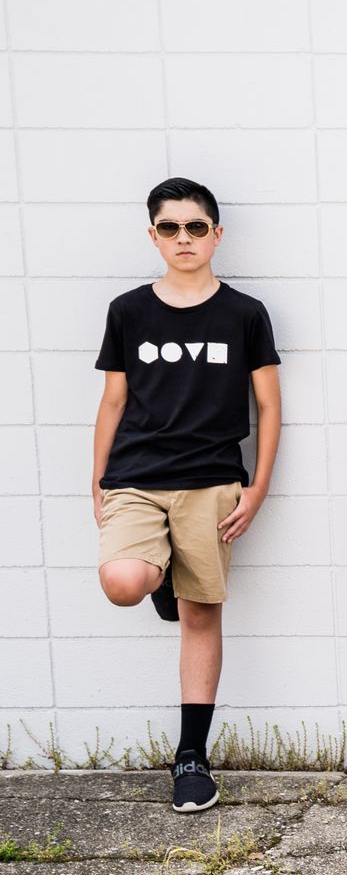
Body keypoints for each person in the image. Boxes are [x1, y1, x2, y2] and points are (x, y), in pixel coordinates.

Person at [92, 178, 282, 813]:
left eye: (195, 227)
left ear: (216, 235)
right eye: (170, 228)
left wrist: (257, 488)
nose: (183, 238)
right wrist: (98, 482)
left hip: (212, 480)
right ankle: (159, 572)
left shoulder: (244, 314)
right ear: (153, 235)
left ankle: (191, 756)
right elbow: (113, 400)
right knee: (123, 580)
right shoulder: (128, 311)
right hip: (137, 478)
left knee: (201, 614)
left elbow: (269, 407)